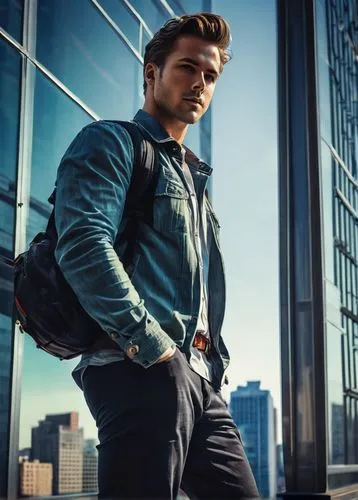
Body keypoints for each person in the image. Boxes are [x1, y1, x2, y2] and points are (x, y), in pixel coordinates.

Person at [54, 12, 259, 499]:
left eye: (210, 76)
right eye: (187, 68)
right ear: (152, 73)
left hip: (198, 378)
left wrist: (204, 367)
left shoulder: (195, 182)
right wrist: (157, 350)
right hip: (140, 368)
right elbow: (83, 243)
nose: (200, 84)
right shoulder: (113, 142)